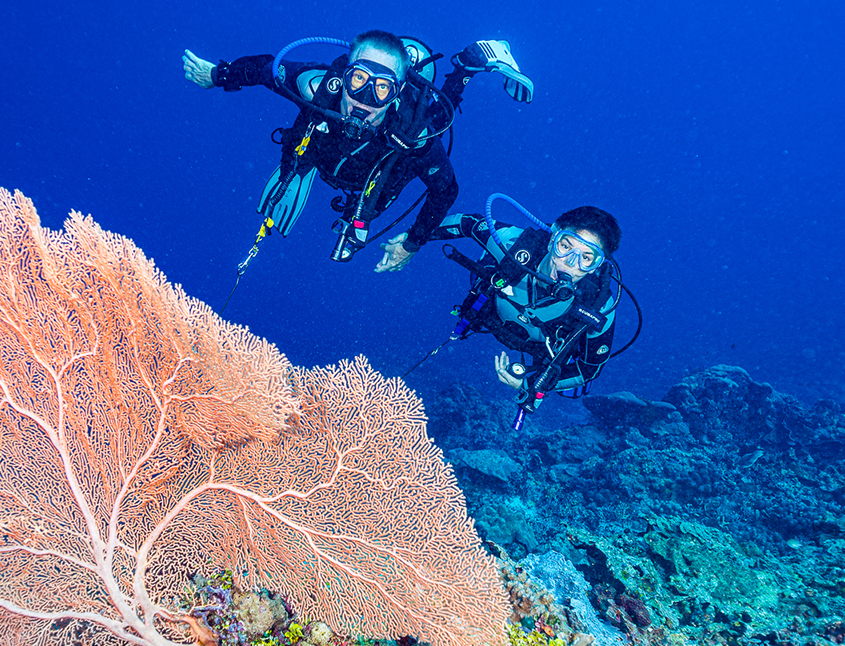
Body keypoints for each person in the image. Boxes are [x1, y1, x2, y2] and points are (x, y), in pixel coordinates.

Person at [182, 31, 532, 271]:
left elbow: (446, 190)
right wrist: (218, 74)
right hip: (320, 154)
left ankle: (467, 65)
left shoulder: (414, 132)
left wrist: (413, 242)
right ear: (345, 74)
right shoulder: (318, 87)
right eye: (359, 80)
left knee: (438, 111)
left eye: (381, 88)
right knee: (300, 150)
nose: (364, 100)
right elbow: (266, 69)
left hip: (382, 169)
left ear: (397, 93)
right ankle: (300, 170)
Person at [434, 206, 624, 425]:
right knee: (489, 270)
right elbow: (468, 223)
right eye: (565, 246)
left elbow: (588, 369)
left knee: (573, 385)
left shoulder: (598, 306)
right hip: (489, 314)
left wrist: (533, 383)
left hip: (541, 348)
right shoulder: (515, 245)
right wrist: (412, 241)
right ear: (553, 237)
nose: (570, 263)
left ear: (596, 266)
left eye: (587, 258)